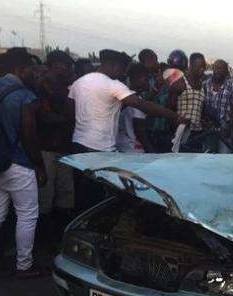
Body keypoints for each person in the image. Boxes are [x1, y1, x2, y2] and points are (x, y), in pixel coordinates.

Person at [67, 49, 185, 209]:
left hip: (78, 144)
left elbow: (70, 111)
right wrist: (174, 116)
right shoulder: (112, 85)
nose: (123, 73)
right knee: (102, 197)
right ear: (113, 65)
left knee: (84, 192)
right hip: (100, 149)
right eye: (122, 69)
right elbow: (141, 104)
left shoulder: (79, 82)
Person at [0, 48, 46, 280]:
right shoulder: (24, 94)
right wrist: (39, 165)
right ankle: (24, 265)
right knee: (27, 216)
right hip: (19, 163)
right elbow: (29, 134)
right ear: (20, 69)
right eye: (31, 69)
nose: (33, 73)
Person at [36, 51, 76, 230]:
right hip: (47, 145)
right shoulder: (43, 86)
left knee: (65, 189)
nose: (67, 70)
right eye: (65, 66)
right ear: (56, 66)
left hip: (63, 145)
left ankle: (60, 230)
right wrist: (71, 118)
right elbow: (44, 116)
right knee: (46, 190)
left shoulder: (64, 86)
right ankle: (44, 232)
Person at [167, 53, 207, 152]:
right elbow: (168, 109)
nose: (202, 70)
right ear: (191, 65)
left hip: (198, 133)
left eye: (204, 67)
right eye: (199, 67)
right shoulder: (179, 83)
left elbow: (201, 110)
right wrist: (176, 122)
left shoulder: (203, 87)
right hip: (180, 132)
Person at [203, 59, 233, 153]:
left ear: (226, 71)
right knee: (208, 157)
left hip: (225, 131)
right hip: (209, 130)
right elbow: (202, 106)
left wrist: (229, 126)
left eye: (221, 68)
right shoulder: (206, 84)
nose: (217, 71)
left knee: (224, 157)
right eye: (215, 68)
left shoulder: (232, 85)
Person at [116, 63, 155, 153]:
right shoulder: (136, 100)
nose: (148, 83)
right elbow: (139, 130)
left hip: (121, 145)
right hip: (133, 148)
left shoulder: (123, 96)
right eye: (146, 79)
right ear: (136, 79)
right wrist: (150, 150)